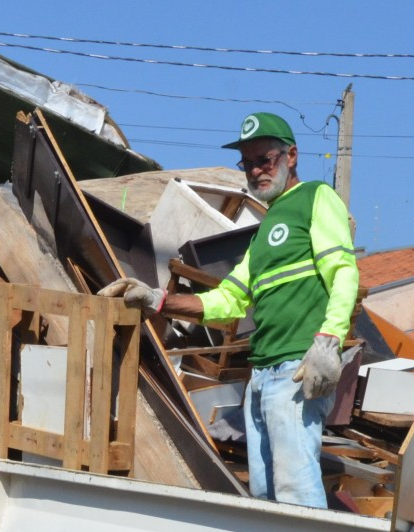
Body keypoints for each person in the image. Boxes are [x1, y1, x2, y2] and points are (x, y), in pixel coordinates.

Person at [100, 111, 359, 509]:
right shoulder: (263, 236)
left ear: (291, 156)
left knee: (296, 493)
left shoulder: (316, 198)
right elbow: (226, 300)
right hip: (262, 376)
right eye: (248, 163)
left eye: (265, 159)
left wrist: (328, 341)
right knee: (265, 497)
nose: (255, 171)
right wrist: (159, 300)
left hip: (297, 368)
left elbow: (343, 271)